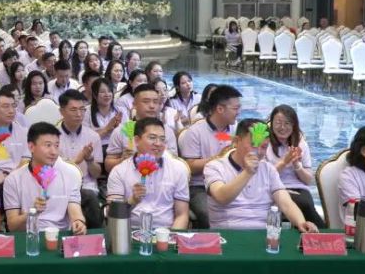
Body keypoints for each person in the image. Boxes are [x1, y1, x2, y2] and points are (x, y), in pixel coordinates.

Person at [205, 119, 317, 232]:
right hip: (226, 233)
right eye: (253, 144)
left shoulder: (268, 169)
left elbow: (286, 203)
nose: (258, 151)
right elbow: (222, 197)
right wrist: (248, 172)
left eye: (263, 147)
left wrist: (301, 222)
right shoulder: (214, 167)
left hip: (263, 233)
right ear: (237, 141)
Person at [105, 117, 190, 229]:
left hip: (166, 231)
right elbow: (112, 213)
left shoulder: (178, 169)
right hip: (130, 231)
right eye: (152, 138)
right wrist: (132, 200)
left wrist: (171, 236)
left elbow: (182, 215)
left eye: (162, 139)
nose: (158, 143)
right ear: (136, 140)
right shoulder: (119, 171)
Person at [3, 122, 86, 235]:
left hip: (60, 234)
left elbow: (74, 209)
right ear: (31, 147)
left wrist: (78, 222)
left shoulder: (70, 174)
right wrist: (32, 212)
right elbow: (13, 226)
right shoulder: (13, 180)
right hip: (29, 236)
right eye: (48, 145)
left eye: (56, 145)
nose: (54, 152)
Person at [179, 84, 242, 228]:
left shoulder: (236, 129)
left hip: (230, 183)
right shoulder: (195, 132)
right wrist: (218, 158)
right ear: (220, 109)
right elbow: (190, 166)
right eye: (235, 108)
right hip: (200, 187)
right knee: (210, 215)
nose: (238, 112)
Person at [265, 105, 324, 227]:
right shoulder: (265, 144)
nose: (282, 127)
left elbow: (307, 180)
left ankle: (317, 233)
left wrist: (297, 165)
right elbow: (264, 176)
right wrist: (284, 162)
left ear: (294, 125)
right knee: (295, 202)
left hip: (298, 188)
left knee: (305, 202)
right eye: (278, 123)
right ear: (271, 123)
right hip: (273, 187)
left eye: (287, 123)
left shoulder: (301, 144)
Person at [104, 83, 177, 172]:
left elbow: (174, 162)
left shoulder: (167, 131)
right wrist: (122, 160)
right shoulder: (123, 130)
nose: (152, 106)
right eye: (146, 101)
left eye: (155, 102)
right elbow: (108, 166)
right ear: (134, 104)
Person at [58, 90, 104, 227]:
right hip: (60, 186)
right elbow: (52, 172)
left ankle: (96, 235)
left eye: (82, 109)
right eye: (73, 110)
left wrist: (89, 160)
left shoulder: (93, 136)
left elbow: (96, 174)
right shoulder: (53, 137)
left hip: (87, 186)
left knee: (89, 196)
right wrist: (77, 160)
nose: (79, 114)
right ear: (62, 111)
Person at [85, 78, 124, 154]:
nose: (107, 95)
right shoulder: (86, 112)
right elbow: (86, 140)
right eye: (102, 92)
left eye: (109, 91)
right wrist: (107, 129)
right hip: (96, 150)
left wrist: (118, 129)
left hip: (118, 149)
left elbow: (128, 136)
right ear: (95, 95)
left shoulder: (121, 111)